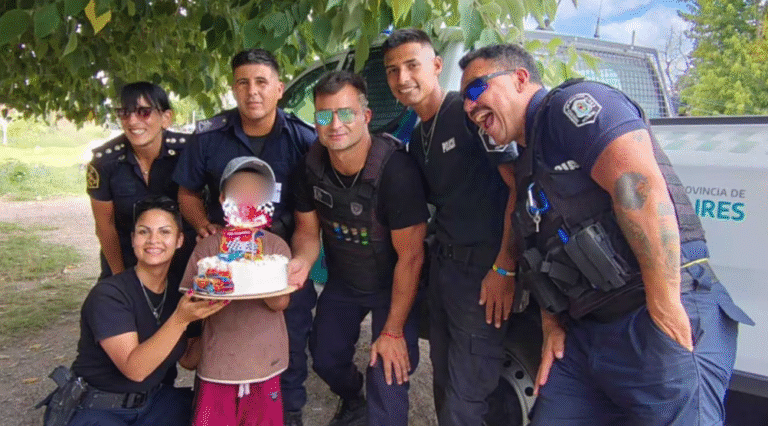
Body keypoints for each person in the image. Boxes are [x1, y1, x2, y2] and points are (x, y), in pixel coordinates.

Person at [459, 43, 754, 425]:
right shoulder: (529, 162)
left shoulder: (573, 107)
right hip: (587, 335)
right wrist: (552, 324)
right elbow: (541, 252)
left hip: (652, 315)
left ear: (519, 79)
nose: (468, 106)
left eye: (475, 90)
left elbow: (638, 188)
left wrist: (664, 306)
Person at [172, 48, 317, 426]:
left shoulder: (303, 140)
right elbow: (187, 193)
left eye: (261, 82)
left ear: (279, 88)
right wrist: (203, 223)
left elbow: (307, 221)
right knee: (221, 339)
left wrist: (299, 263)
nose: (252, 91)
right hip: (226, 258)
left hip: (278, 255)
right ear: (234, 89)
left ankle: (289, 413)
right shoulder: (208, 138)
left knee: (291, 344)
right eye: (243, 82)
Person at [382, 29, 518, 425]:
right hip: (445, 270)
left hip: (485, 273)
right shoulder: (415, 132)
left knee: (467, 394)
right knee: (442, 379)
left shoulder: (470, 112)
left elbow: (517, 186)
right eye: (393, 70)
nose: (403, 78)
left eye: (412, 65)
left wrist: (505, 267)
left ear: (436, 66)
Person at [289, 70, 429, 426]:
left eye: (346, 113)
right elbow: (307, 232)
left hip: (393, 286)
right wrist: (302, 264)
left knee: (389, 375)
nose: (335, 124)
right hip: (345, 283)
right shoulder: (311, 165)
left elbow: (411, 257)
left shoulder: (397, 171)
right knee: (324, 358)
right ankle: (354, 400)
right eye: (324, 115)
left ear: (366, 116)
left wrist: (393, 330)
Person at [61, 196, 227, 425]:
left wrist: (217, 317)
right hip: (100, 407)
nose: (153, 240)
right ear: (132, 240)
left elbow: (188, 359)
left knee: (218, 414)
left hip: (153, 402)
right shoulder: (109, 294)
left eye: (165, 232)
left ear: (179, 240)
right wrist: (180, 319)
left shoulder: (179, 291)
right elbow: (135, 369)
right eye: (143, 232)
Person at [180, 156, 293, 425]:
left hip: (265, 363)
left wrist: (257, 267)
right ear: (222, 198)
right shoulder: (207, 248)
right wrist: (218, 278)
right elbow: (191, 301)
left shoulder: (276, 248)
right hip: (217, 364)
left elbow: (280, 303)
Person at [87, 82, 195, 285]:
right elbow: (105, 226)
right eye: (125, 113)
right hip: (127, 259)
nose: (132, 121)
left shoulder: (189, 152)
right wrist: (121, 279)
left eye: (144, 112)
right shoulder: (105, 162)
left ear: (166, 118)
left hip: (183, 263)